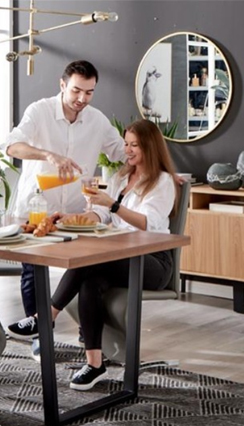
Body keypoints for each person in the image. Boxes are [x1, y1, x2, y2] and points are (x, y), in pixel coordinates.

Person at [12, 119, 179, 391]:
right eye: (126, 144)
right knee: (89, 282)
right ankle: (94, 364)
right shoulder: (121, 177)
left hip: (152, 262)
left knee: (89, 262)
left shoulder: (163, 182)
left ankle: (44, 318)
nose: (128, 150)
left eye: (135, 145)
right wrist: (73, 217)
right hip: (119, 256)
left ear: (150, 146)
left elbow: (148, 223)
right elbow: (100, 214)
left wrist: (112, 204)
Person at [5, 60, 125, 338]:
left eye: (89, 92)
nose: (82, 98)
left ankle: (89, 337)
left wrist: (163, 168)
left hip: (75, 213)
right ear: (62, 85)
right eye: (76, 91)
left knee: (86, 268)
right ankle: (40, 336)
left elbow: (123, 152)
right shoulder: (39, 111)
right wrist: (48, 155)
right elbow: (13, 145)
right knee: (34, 270)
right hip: (37, 207)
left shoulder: (97, 120)